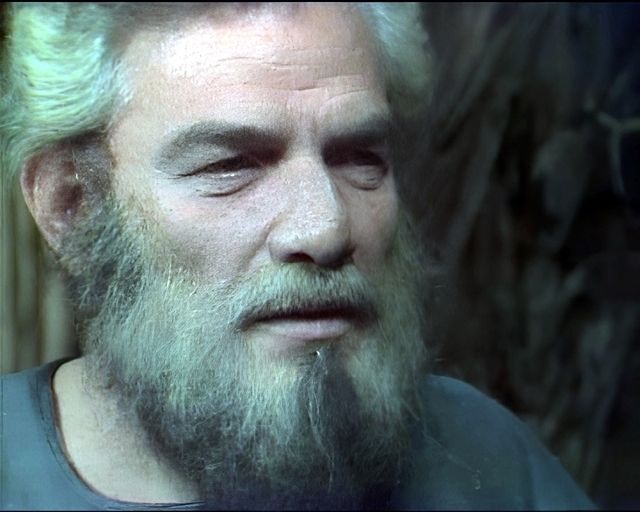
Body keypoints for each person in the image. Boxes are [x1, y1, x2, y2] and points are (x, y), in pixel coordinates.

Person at [0, 3, 595, 510]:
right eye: (230, 165)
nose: (326, 228)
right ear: (71, 206)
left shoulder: (487, 455)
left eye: (359, 157)